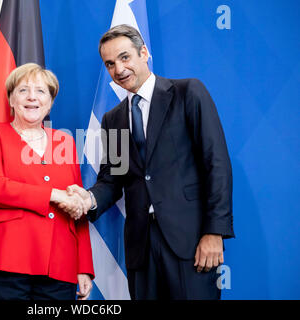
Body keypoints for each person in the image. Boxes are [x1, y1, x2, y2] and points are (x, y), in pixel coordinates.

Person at [65, 24, 234, 300]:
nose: (118, 69)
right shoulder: (113, 119)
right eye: (110, 63)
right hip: (141, 249)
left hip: (191, 243)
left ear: (143, 53)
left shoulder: (188, 93)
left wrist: (214, 232)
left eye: (124, 57)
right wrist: (87, 200)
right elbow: (112, 180)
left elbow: (216, 163)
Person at [0, 63, 94, 300]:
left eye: (41, 91)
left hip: (59, 268)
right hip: (1, 262)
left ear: (50, 103)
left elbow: (77, 205)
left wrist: (83, 266)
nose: (32, 97)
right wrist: (53, 195)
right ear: (11, 99)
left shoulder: (65, 142)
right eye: (23, 90)